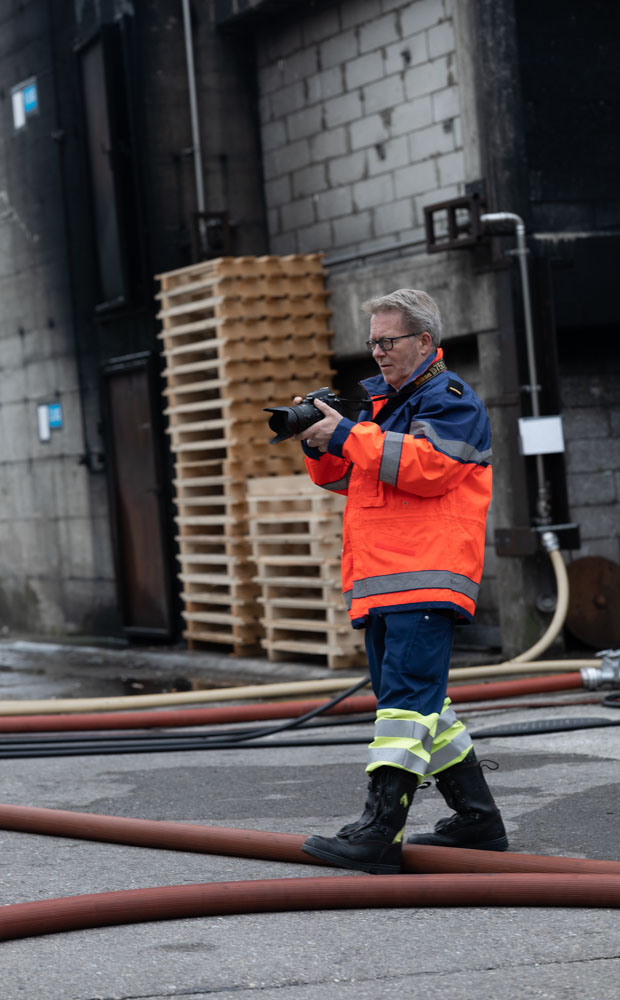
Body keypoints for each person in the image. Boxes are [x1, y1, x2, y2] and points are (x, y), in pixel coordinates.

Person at [295, 288, 508, 875]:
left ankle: (380, 829)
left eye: (388, 342)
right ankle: (478, 820)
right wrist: (320, 443)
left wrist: (346, 434)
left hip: (423, 578)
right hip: (387, 578)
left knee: (405, 709)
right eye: (372, 344)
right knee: (420, 705)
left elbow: (427, 468)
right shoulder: (383, 406)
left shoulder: (452, 400)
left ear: (424, 342)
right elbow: (355, 480)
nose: (379, 353)